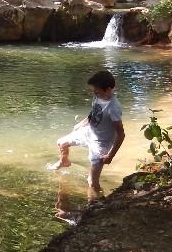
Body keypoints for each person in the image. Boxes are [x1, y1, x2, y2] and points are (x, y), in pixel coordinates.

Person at [48, 69, 125, 203]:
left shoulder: (114, 108)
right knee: (61, 143)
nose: (94, 94)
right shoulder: (98, 96)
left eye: (97, 92)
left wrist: (110, 155)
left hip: (101, 144)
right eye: (94, 92)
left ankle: (97, 206)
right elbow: (94, 112)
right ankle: (64, 161)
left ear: (108, 89)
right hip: (89, 131)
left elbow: (121, 134)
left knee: (92, 182)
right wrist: (82, 123)